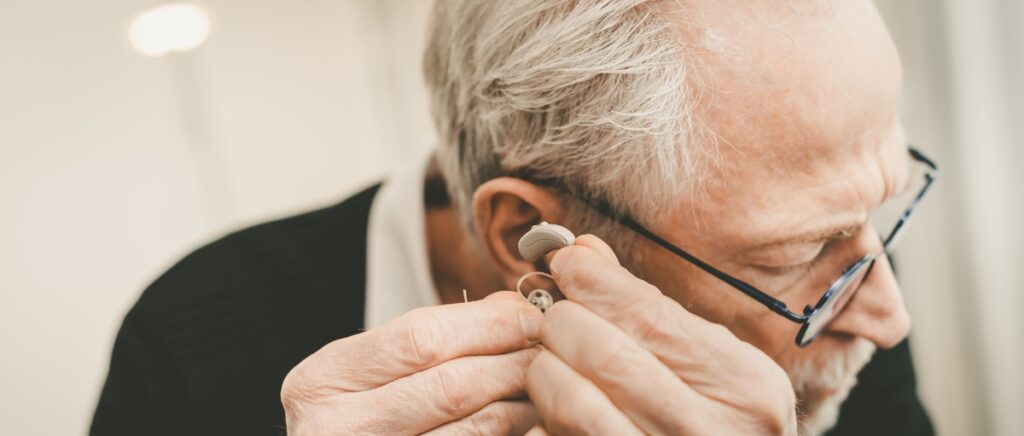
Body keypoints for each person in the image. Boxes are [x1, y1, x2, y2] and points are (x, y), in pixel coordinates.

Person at [91, 0, 936, 435]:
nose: (890, 316)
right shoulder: (186, 344)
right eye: (799, 248)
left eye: (878, 217)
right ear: (531, 243)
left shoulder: (837, 320)